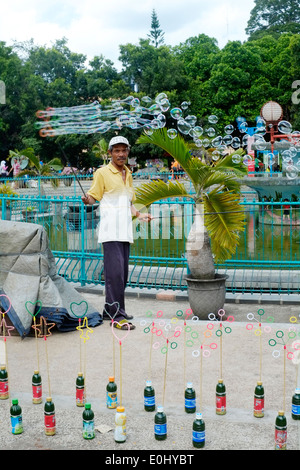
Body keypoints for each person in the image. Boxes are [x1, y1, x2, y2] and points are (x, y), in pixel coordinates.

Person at [82, 136, 152, 330]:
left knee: (122, 275)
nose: (121, 154)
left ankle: (109, 309)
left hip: (125, 233)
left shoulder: (128, 173)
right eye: (117, 150)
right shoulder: (102, 173)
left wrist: (140, 215)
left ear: (128, 152)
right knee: (115, 276)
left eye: (124, 150)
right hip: (110, 232)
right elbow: (93, 197)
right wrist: (87, 199)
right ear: (110, 153)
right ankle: (117, 316)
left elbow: (128, 203)